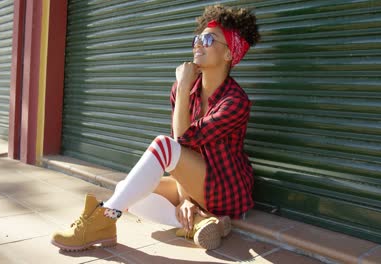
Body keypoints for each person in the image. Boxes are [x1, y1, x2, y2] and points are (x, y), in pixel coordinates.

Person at [51, 4, 260, 251]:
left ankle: (104, 218)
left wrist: (182, 87)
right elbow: (181, 156)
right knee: (128, 191)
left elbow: (178, 143)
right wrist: (185, 198)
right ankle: (201, 222)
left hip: (227, 189)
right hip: (199, 183)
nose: (197, 44)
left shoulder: (234, 101)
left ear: (228, 54)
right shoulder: (185, 91)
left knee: (162, 146)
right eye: (197, 38)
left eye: (208, 39)